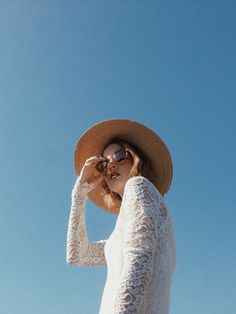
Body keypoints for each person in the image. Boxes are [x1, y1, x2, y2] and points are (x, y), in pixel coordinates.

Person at [66, 119, 176, 314]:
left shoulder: (138, 186)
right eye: (103, 163)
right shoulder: (122, 232)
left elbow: (139, 262)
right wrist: (80, 192)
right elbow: (78, 255)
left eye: (119, 155)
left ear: (135, 158)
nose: (111, 166)